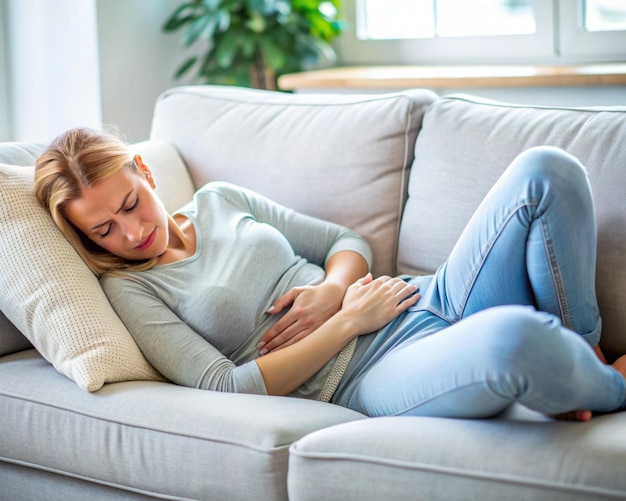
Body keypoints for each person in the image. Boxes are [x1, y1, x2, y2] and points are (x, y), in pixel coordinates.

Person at [34, 127, 626, 421]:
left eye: (130, 204)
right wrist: (343, 324)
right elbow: (223, 387)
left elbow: (346, 242)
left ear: (145, 173)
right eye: (103, 230)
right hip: (368, 374)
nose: (132, 234)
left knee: (546, 170)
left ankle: (585, 350)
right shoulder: (130, 288)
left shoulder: (219, 199)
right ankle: (611, 390)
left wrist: (331, 290)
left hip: (423, 296)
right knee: (513, 338)